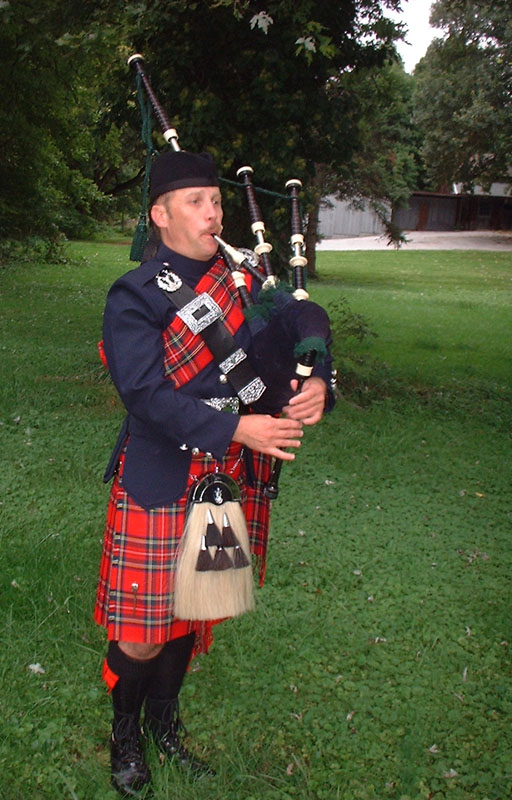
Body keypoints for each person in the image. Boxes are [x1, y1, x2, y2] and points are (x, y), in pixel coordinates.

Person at [94, 150, 334, 797]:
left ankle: (166, 729)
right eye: (196, 201)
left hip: (223, 482)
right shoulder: (135, 295)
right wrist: (237, 428)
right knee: (144, 633)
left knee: (191, 614)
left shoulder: (242, 281)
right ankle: (125, 735)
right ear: (160, 214)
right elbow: (144, 394)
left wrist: (319, 379)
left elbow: (301, 320)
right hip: (159, 480)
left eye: (217, 201)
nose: (212, 212)